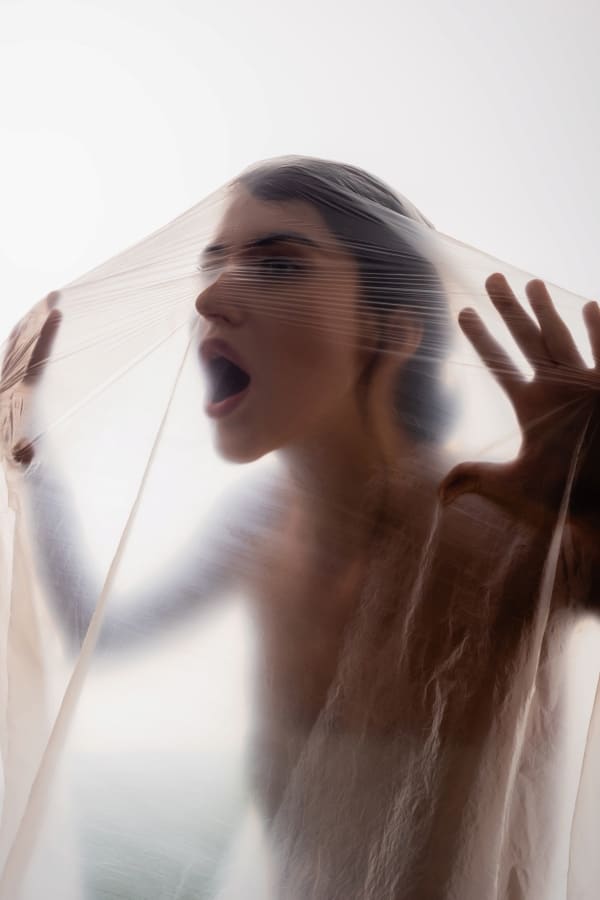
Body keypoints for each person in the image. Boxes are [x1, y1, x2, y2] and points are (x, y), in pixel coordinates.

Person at [4, 157, 600, 898]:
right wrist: (39, 466)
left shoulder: (495, 526)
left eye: (279, 266)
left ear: (393, 328)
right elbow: (99, 628)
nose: (211, 297)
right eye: (213, 264)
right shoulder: (257, 524)